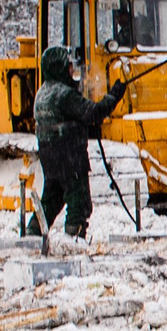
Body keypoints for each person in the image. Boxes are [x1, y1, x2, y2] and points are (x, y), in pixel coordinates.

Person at [32, 45, 127, 244]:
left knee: (51, 200)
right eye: (68, 67)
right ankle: (74, 241)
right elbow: (93, 113)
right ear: (59, 68)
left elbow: (67, 120)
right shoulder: (65, 95)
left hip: (49, 157)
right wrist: (115, 94)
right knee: (78, 202)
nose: (72, 71)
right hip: (70, 157)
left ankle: (31, 235)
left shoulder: (42, 93)